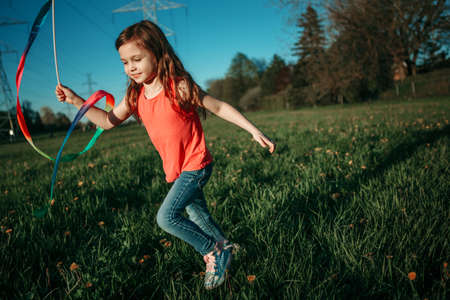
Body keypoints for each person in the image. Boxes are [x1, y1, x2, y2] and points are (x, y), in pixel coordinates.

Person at [55, 20, 275, 290]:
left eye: (137, 59)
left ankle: (214, 252)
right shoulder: (135, 95)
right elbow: (106, 121)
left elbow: (217, 106)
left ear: (158, 54)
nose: (131, 67)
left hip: (195, 165)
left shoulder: (177, 86)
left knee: (166, 218)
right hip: (176, 169)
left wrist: (253, 130)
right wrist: (77, 101)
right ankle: (225, 246)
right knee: (198, 215)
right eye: (125, 62)